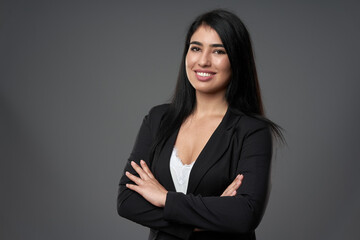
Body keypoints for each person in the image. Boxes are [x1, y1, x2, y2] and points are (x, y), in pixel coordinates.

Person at [117, 9, 283, 240]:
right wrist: (206, 220)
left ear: (237, 60)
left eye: (218, 51)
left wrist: (165, 198)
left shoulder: (252, 130)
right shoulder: (158, 119)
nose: (203, 61)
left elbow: (244, 214)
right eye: (196, 48)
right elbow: (127, 200)